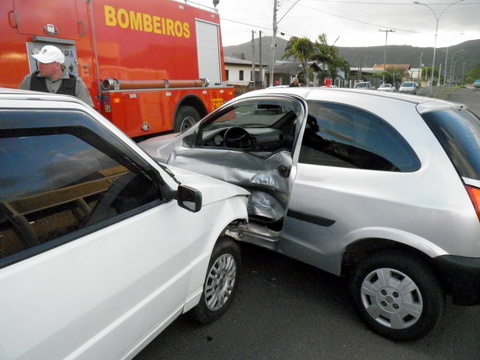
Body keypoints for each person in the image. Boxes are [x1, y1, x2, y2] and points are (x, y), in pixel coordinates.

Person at [19, 45, 94, 107]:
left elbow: (88, 110)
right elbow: (19, 106)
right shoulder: (29, 81)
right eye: (39, 62)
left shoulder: (76, 84)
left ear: (57, 65)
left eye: (44, 63)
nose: (40, 66)